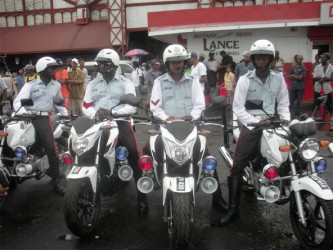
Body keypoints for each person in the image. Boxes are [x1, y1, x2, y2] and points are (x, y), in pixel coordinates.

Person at [216, 40, 290, 226]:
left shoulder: (278, 78)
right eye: (258, 57)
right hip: (253, 124)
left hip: (274, 122)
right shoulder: (245, 79)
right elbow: (238, 108)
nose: (262, 60)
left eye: (265, 57)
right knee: (238, 164)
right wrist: (256, 121)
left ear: (271, 59)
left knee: (293, 152)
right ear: (254, 59)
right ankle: (233, 209)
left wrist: (285, 117)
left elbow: (283, 102)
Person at [147, 44, 227, 212]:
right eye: (173, 62)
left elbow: (199, 105)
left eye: (180, 61)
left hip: (190, 125)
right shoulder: (159, 83)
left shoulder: (193, 82)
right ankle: (146, 190)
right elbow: (155, 106)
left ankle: (217, 198)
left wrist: (192, 117)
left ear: (185, 63)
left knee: (206, 156)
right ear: (167, 64)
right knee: (148, 151)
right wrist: (165, 118)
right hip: (165, 126)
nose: (177, 65)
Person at [82, 48, 149, 214]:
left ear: (113, 65)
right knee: (83, 149)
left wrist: (113, 113)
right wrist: (95, 113)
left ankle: (142, 197)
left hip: (120, 121)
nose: (101, 68)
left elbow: (131, 106)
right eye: (99, 64)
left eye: (104, 64)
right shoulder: (93, 83)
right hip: (98, 123)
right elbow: (86, 105)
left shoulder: (125, 82)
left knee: (134, 153)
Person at [13, 56, 68, 195]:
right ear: (42, 69)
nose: (54, 70)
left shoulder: (56, 85)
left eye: (55, 68)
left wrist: (66, 114)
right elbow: (18, 101)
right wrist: (24, 113)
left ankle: (57, 181)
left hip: (43, 118)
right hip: (28, 117)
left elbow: (59, 102)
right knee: (15, 144)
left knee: (51, 148)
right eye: (51, 68)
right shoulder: (30, 85)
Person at [313, 53, 333, 131]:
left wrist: (325, 79)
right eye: (320, 57)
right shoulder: (317, 67)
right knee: (316, 103)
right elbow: (314, 78)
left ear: (327, 58)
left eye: (323, 57)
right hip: (318, 88)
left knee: (330, 104)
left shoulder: (331, 67)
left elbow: (332, 78)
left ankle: (331, 118)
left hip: (327, 88)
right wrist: (320, 78)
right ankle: (314, 117)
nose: (321, 58)